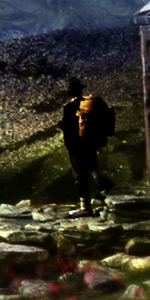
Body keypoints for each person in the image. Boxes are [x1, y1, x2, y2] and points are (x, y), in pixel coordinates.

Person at [58, 76, 115, 217]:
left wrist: (61, 126)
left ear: (69, 93)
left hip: (75, 147)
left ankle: (85, 208)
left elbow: (66, 127)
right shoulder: (91, 104)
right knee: (93, 167)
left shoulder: (69, 107)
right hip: (90, 143)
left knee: (80, 176)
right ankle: (104, 190)